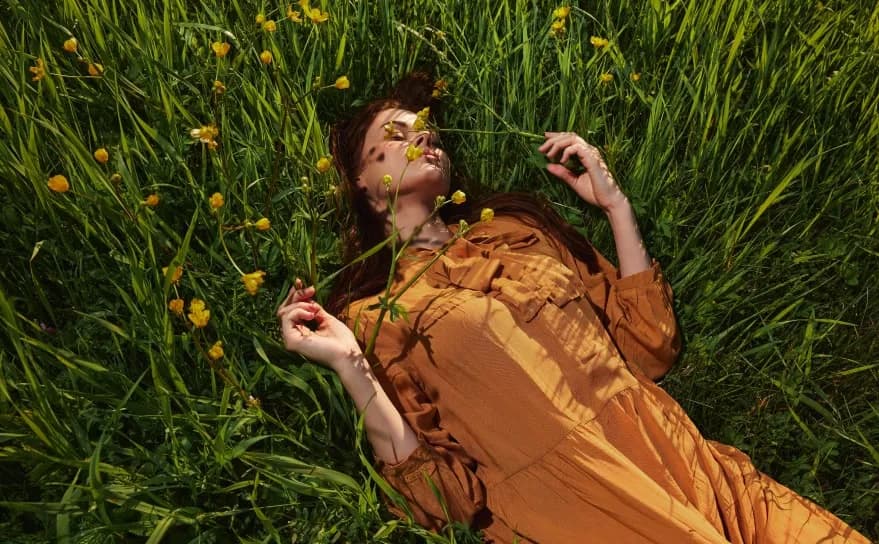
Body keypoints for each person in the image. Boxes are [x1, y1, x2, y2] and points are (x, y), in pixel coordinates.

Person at [276, 74, 869, 544]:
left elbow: (648, 345)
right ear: (357, 177)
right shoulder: (375, 315)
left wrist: (617, 208)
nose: (425, 136)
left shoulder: (515, 228)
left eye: (429, 129)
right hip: (568, 507)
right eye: (399, 131)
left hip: (677, 455)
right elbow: (440, 502)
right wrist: (349, 363)